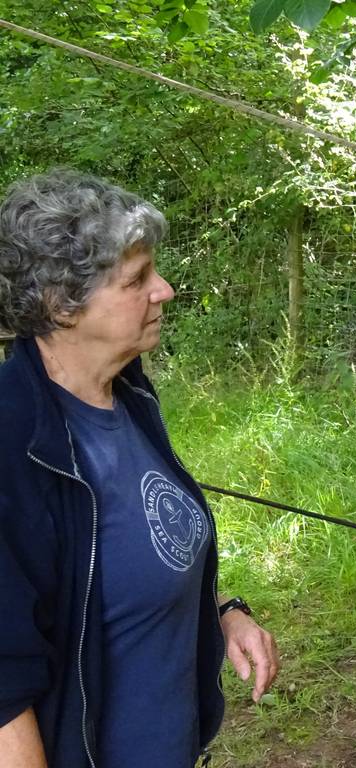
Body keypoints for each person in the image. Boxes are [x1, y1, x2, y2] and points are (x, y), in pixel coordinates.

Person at [0, 169, 280, 768]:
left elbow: (126, 563)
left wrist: (222, 612)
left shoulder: (126, 393)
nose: (166, 290)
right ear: (60, 303)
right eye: (137, 279)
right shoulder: (13, 444)